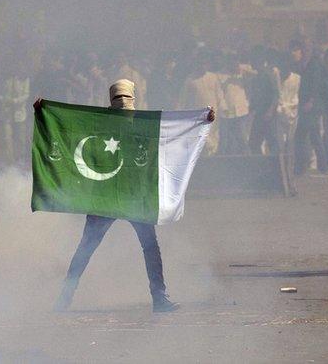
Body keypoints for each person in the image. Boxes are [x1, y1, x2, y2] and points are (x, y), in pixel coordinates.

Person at [52, 79, 216, 313]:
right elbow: (67, 128)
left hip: (126, 197)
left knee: (105, 247)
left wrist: (202, 120)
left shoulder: (119, 124)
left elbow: (173, 135)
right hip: (112, 197)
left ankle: (157, 298)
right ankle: (65, 298)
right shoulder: (110, 124)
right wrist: (44, 113)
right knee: (97, 247)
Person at [291, 40, 328, 175]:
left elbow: (315, 84)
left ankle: (307, 166)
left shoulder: (314, 64)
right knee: (310, 136)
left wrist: (311, 101)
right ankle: (318, 166)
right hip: (310, 105)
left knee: (306, 136)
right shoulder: (309, 64)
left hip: (312, 106)